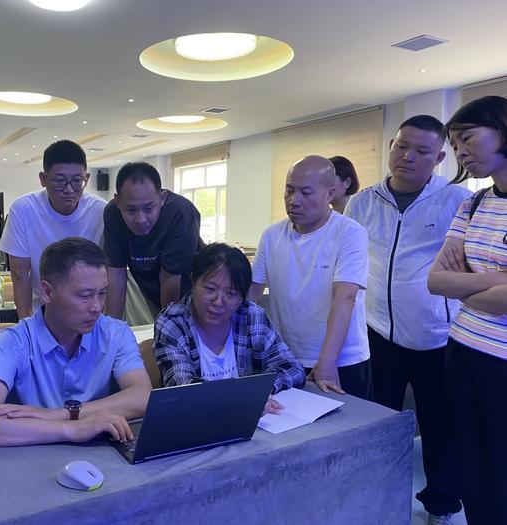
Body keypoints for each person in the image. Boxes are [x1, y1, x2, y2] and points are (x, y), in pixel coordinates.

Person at [345, 115, 468, 524]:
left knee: (439, 427)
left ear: (439, 157)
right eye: (401, 146)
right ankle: (378, 501)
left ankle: (441, 506)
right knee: (378, 424)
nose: (408, 157)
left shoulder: (457, 200)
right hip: (378, 332)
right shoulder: (362, 202)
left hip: (438, 337)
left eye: (421, 151)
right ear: (391, 145)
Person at [0, 237, 152, 446]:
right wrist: (73, 428)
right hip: (33, 458)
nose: (96, 307)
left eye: (102, 293)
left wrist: (64, 414)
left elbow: (143, 396)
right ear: (47, 292)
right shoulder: (14, 342)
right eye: (84, 296)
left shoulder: (115, 333)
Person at [428, 95, 507, 525]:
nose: (460, 152)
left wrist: (465, 284)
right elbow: (436, 281)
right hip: (462, 350)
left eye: (468, 138)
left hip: (502, 362)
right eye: (455, 144)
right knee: (472, 469)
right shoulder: (473, 204)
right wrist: (495, 281)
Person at [248, 155, 372, 399]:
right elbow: (252, 293)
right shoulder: (272, 235)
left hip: (340, 361)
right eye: (289, 191)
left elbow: (345, 297)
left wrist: (327, 360)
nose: (294, 201)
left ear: (330, 193)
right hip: (286, 358)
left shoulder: (349, 233)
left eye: (306, 193)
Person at [154, 243, 305, 413]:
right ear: (193, 281)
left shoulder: (252, 316)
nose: (218, 301)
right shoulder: (173, 322)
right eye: (210, 289)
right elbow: (182, 389)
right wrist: (243, 399)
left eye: (231, 293)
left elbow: (292, 368)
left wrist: (263, 391)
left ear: (243, 296)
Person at [0, 140, 106, 319]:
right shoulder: (23, 209)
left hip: (90, 314)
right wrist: (27, 324)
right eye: (59, 181)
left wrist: (103, 322)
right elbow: (19, 273)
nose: (69, 189)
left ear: (86, 179)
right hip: (41, 313)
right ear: (43, 178)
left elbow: (110, 272)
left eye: (77, 181)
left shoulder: (101, 210)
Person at [104, 162, 203, 321]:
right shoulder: (112, 215)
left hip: (191, 292)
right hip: (151, 290)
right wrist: (110, 325)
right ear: (118, 202)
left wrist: (168, 326)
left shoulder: (179, 213)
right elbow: (116, 273)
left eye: (149, 209)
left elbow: (170, 277)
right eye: (131, 210)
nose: (140, 220)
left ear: (162, 198)